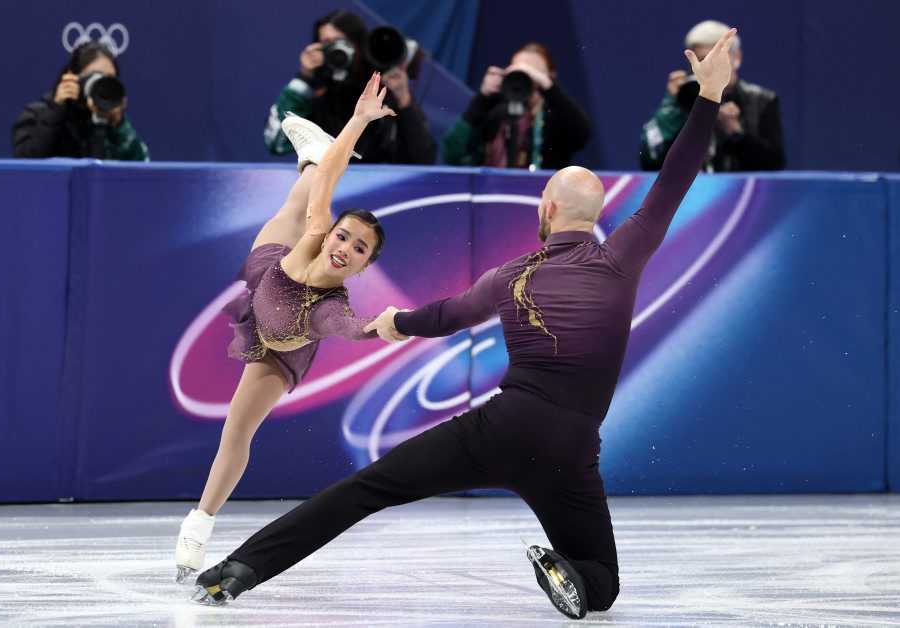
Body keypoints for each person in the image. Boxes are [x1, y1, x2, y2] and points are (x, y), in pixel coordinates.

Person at [191, 30, 736, 619]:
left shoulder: (510, 276)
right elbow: (674, 179)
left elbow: (446, 317)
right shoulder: (621, 257)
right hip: (571, 451)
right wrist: (707, 97)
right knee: (602, 584)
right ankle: (567, 569)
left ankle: (240, 568)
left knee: (367, 489)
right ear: (596, 215)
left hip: (496, 431)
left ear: (548, 209)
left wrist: (397, 320)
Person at [174, 73, 396, 582]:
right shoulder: (319, 233)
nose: (345, 248)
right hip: (271, 271)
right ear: (332, 233)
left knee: (238, 427)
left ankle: (199, 521)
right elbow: (333, 179)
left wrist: (386, 325)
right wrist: (358, 120)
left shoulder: (330, 309)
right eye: (344, 236)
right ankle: (314, 152)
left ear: (364, 266)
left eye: (359, 249)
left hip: (282, 345)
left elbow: (353, 328)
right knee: (305, 197)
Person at [263, 10, 437, 165]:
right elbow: (276, 143)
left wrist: (403, 98)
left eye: (342, 41)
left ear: (359, 45)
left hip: (382, 186)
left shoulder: (382, 91)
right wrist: (304, 78)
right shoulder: (316, 93)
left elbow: (422, 158)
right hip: (329, 186)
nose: (338, 49)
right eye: (327, 42)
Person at [639, 20, 784, 172]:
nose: (710, 66)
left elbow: (774, 165)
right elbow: (651, 163)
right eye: (703, 60)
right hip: (692, 187)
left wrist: (735, 134)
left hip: (742, 187)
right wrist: (673, 109)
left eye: (718, 58)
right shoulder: (683, 98)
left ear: (737, 58)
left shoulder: (761, 99)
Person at [442, 43, 592, 170]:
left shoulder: (556, 117)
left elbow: (582, 132)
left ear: (550, 76)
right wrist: (482, 98)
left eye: (534, 73)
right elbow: (453, 153)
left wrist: (547, 86)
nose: (527, 79)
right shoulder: (495, 112)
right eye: (521, 72)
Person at [11, 42, 149, 160]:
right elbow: (27, 163)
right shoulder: (37, 114)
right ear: (72, 77)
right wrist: (55, 111)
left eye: (109, 78)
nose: (101, 84)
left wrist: (118, 126)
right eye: (95, 76)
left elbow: (139, 169)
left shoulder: (111, 122)